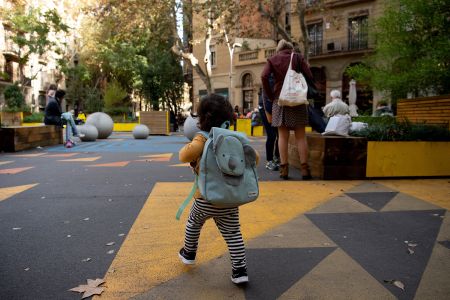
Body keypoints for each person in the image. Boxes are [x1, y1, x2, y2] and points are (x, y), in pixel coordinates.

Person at [178, 93, 254, 284]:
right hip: (230, 198)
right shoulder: (237, 138)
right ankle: (239, 270)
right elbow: (254, 159)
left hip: (206, 198)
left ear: (203, 119)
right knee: (233, 233)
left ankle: (189, 252)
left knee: (194, 223)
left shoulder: (203, 138)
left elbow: (184, 156)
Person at [261, 39, 314, 180]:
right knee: (301, 136)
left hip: (280, 100)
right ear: (291, 48)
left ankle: (284, 170)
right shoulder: (297, 57)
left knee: (282, 136)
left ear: (279, 49)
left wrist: (271, 95)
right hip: (298, 100)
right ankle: (305, 170)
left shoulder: (273, 59)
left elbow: (264, 76)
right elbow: (309, 75)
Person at [259, 84, 280, 171]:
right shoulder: (270, 74)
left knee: (280, 135)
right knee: (272, 135)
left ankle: (277, 158)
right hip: (265, 106)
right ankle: (269, 161)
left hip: (276, 105)